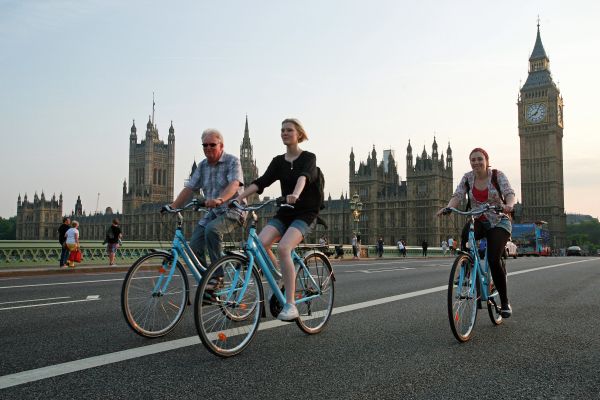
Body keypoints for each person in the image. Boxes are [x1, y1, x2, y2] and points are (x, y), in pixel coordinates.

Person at [234, 118, 321, 321]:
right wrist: (239, 197)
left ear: (299, 134)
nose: (284, 133)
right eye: (282, 130)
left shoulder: (309, 157)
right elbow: (261, 182)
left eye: (289, 130)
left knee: (283, 248)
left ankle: (290, 304)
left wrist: (296, 194)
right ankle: (281, 277)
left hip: (304, 212)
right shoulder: (278, 161)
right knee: (260, 245)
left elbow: (304, 177)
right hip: (285, 211)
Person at [436, 147, 516, 318]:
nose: (476, 162)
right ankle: (467, 270)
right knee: (466, 234)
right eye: (473, 160)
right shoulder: (467, 178)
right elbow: (457, 195)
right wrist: (449, 207)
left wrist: (509, 205)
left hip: (499, 220)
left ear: (486, 160)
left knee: (494, 259)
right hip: (479, 219)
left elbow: (509, 193)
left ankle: (505, 302)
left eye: (480, 159)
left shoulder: (497, 175)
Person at [167, 128, 245, 271]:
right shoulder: (202, 166)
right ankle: (207, 281)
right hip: (212, 213)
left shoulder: (232, 161)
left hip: (233, 211)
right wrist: (173, 206)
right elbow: (189, 188)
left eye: (212, 144)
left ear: (221, 146)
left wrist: (220, 199)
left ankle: (217, 276)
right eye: (205, 145)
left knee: (212, 229)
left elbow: (234, 184)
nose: (208, 147)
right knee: (194, 246)